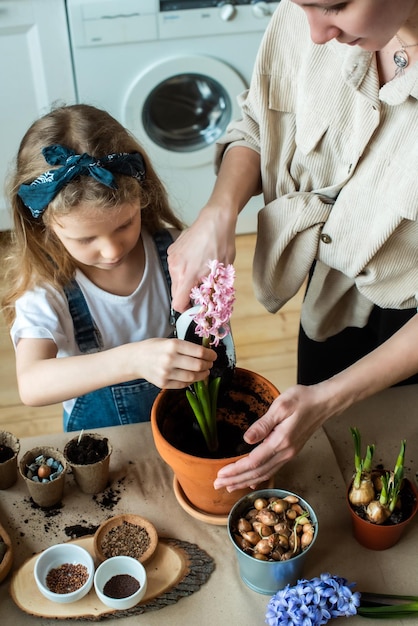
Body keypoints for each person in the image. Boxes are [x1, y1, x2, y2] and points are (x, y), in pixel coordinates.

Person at [167, 0, 418, 492]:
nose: (316, 33)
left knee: (391, 482)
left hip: (407, 332)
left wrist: (329, 398)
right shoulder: (311, 22)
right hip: (329, 304)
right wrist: (218, 211)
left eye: (335, 7)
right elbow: (261, 121)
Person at [1, 104, 216, 432]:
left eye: (125, 224)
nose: (112, 249)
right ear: (45, 225)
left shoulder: (175, 249)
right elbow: (31, 384)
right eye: (86, 239)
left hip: (184, 423)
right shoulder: (45, 288)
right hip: (103, 439)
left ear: (142, 197)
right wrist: (134, 360)